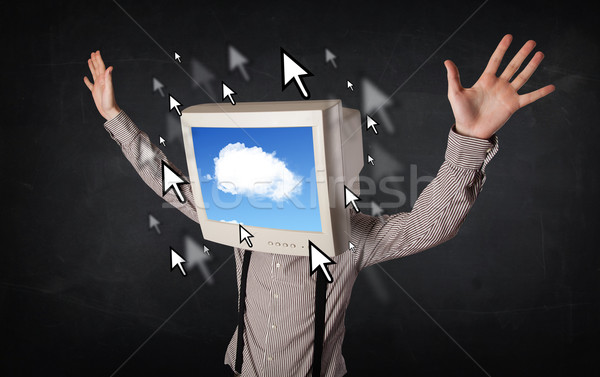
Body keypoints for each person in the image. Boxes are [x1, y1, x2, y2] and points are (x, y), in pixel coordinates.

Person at [83, 35, 554, 376]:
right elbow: (170, 184)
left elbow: (428, 225)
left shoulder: (351, 236)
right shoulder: (237, 213)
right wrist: (114, 117)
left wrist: (471, 139)